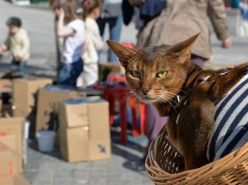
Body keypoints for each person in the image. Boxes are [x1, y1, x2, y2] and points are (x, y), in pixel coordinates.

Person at [126, 0, 233, 159]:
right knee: (194, 97)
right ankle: (189, 153)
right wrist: (223, 34)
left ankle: (156, 150)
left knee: (154, 97)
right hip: (191, 35)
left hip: (159, 33)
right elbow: (216, 5)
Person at [129, 0, 232, 68]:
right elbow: (216, 8)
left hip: (163, 34)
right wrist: (224, 35)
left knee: (159, 87)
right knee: (191, 87)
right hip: (194, 38)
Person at [53, 0, 85, 87]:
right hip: (75, 61)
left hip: (70, 64)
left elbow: (60, 33)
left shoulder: (75, 24)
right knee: (70, 88)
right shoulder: (79, 23)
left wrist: (60, 17)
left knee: (64, 89)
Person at [77, 0, 104, 89]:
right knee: (91, 81)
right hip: (90, 58)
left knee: (80, 81)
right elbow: (98, 43)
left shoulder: (79, 21)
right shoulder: (93, 24)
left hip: (79, 56)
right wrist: (101, 44)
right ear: (96, 10)